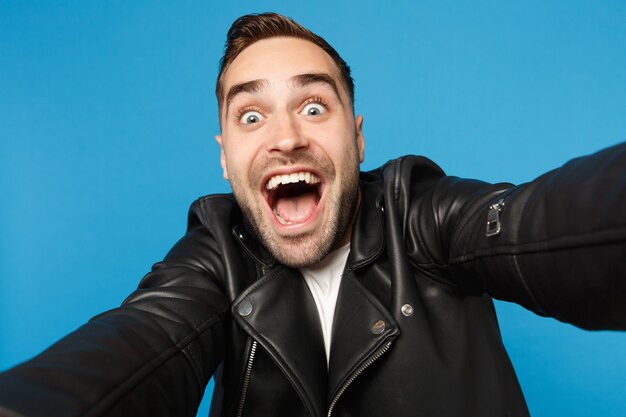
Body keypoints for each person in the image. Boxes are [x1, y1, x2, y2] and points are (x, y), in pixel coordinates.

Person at [0, 12, 625, 417]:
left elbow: (537, 223)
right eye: (251, 116)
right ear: (225, 157)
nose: (286, 137)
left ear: (356, 139)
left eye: (314, 107)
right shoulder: (218, 251)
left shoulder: (421, 209)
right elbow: (144, 341)